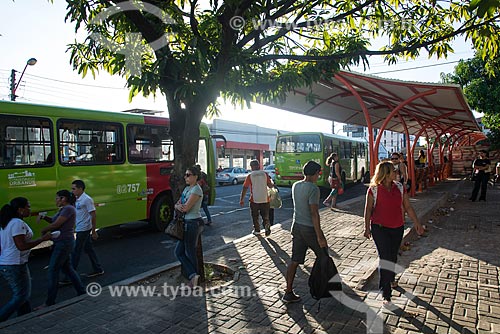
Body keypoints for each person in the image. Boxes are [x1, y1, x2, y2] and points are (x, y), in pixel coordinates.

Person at [363, 161, 424, 305]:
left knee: (393, 255)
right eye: (393, 171)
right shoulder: (374, 189)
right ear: (386, 173)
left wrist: (417, 223)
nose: (396, 173)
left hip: (397, 227)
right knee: (385, 258)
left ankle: (390, 279)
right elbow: (368, 209)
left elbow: (408, 207)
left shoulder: (400, 187)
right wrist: (366, 228)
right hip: (379, 228)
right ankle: (386, 294)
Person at [283, 161, 327, 303]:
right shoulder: (313, 189)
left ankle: (288, 291)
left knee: (295, 260)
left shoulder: (296, 185)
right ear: (315, 173)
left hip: (296, 226)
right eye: (318, 173)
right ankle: (321, 287)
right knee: (323, 255)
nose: (318, 175)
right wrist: (319, 235)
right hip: (309, 229)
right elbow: (314, 213)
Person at [0, 198, 51, 322]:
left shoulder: (6, 222)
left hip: (8, 262)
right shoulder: (17, 223)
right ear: (20, 210)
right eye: (28, 207)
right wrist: (42, 239)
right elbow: (21, 246)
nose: (30, 209)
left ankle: (25, 318)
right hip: (14, 263)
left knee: (22, 293)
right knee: (21, 296)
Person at [36, 190, 86, 308]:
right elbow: (54, 221)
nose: (55, 200)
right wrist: (44, 217)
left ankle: (49, 302)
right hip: (63, 242)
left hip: (63, 243)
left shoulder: (68, 209)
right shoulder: (64, 209)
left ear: (63, 198)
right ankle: (81, 292)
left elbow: (56, 225)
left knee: (53, 270)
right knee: (68, 268)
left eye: (57, 198)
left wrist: (43, 231)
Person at [60, 180, 103, 283]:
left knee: (76, 252)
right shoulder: (76, 199)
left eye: (74, 189)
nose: (72, 191)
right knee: (88, 249)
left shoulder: (87, 199)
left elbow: (93, 214)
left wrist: (93, 231)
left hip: (84, 229)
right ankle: (98, 268)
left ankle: (70, 276)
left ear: (80, 189)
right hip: (80, 227)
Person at [174, 165, 204, 287]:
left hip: (193, 223)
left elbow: (185, 208)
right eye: (185, 175)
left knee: (189, 251)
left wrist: (180, 207)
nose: (185, 177)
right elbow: (177, 204)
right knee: (179, 252)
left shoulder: (196, 190)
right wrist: (178, 206)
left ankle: (194, 278)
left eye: (188, 175)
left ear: (195, 176)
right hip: (185, 222)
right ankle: (193, 275)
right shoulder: (187, 189)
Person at [240, 160, 274, 237]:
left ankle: (257, 230)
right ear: (259, 165)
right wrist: (272, 184)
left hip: (254, 200)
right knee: (265, 216)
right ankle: (266, 227)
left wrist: (241, 199)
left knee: (255, 216)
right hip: (265, 199)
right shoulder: (265, 174)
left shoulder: (250, 176)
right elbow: (270, 185)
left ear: (251, 167)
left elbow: (245, 188)